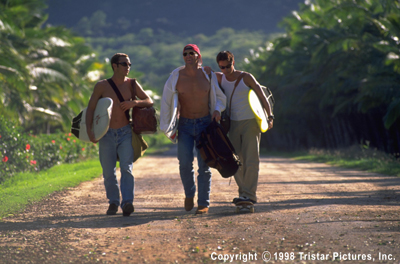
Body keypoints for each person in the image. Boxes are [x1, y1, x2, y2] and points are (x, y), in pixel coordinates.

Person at [160, 44, 226, 214]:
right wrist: (168, 125)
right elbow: (166, 102)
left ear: (198, 55)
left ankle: (203, 203)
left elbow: (219, 97)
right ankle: (189, 193)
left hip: (205, 124)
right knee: (184, 163)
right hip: (185, 125)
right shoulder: (175, 76)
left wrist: (218, 110)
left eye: (192, 53)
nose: (188, 56)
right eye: (185, 53)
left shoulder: (207, 74)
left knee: (204, 166)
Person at [86, 53, 153, 216]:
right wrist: (90, 131)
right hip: (106, 134)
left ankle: (128, 202)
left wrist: (134, 102)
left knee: (126, 168)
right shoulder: (101, 86)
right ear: (114, 66)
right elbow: (91, 108)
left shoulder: (132, 84)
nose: (128, 67)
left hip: (125, 133)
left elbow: (149, 100)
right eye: (124, 64)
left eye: (129, 64)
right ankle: (114, 202)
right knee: (108, 172)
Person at [209, 50, 273, 205]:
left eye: (228, 66)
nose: (225, 70)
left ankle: (249, 194)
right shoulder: (220, 77)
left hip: (251, 121)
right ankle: (244, 192)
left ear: (233, 62)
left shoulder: (246, 77)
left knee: (252, 159)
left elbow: (262, 97)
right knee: (235, 160)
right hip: (233, 124)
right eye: (222, 67)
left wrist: (270, 116)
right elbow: (205, 72)